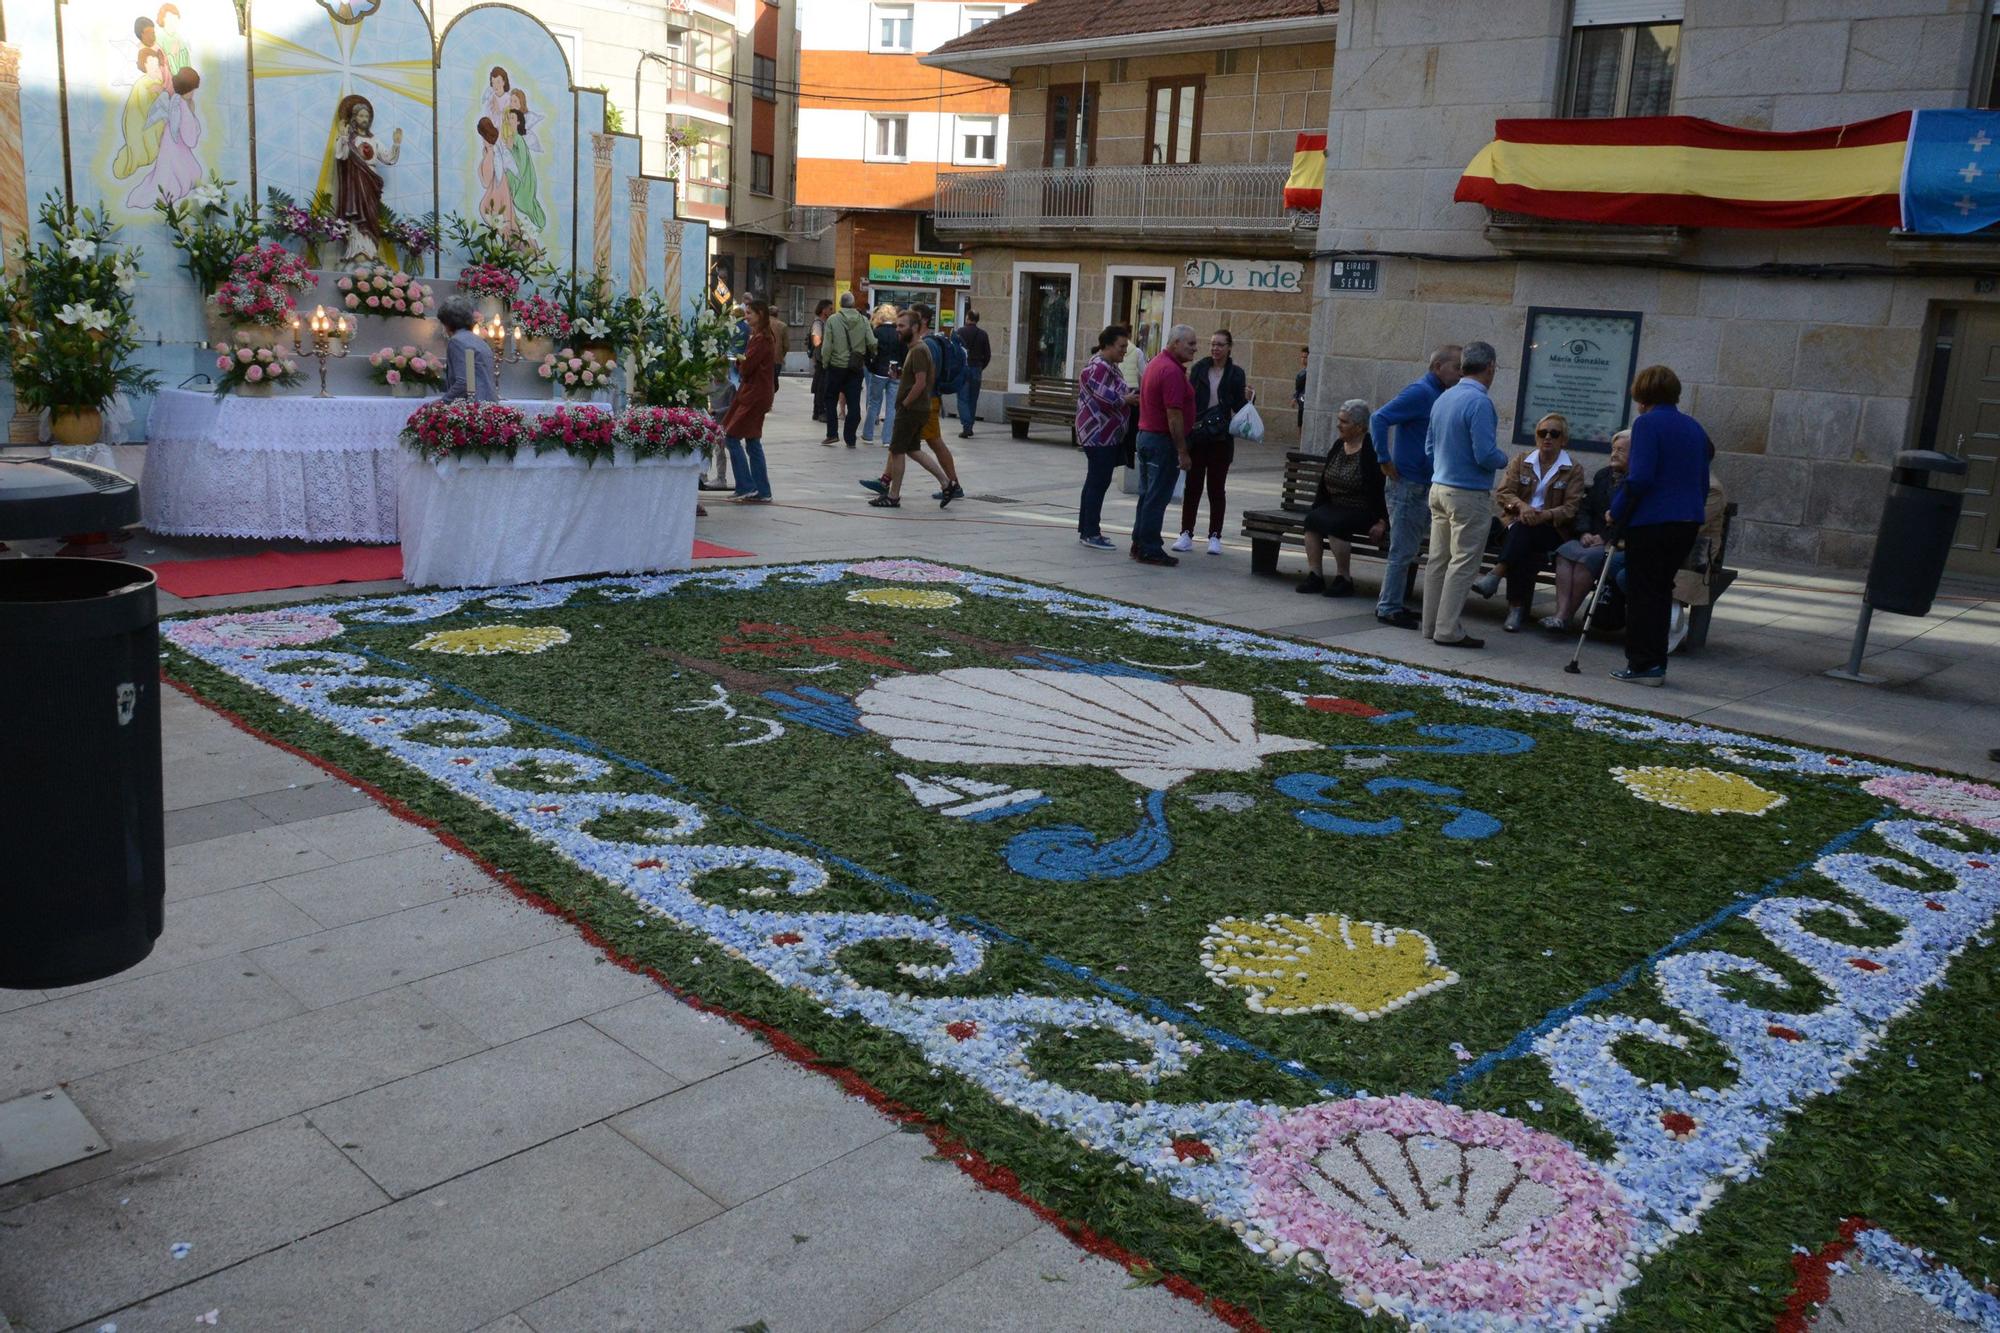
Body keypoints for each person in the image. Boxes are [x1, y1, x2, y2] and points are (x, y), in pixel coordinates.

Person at [1607, 365, 1711, 685]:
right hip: (1687, 519)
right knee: (1661, 590)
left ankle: (1643, 664)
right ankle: (1655, 661)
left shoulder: (1647, 424)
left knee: (1642, 593)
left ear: (1642, 396)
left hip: (1653, 519)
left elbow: (1639, 477)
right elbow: (1702, 478)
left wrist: (1617, 509)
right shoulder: (1693, 427)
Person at [1420, 339, 1507, 649]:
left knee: (1438, 560)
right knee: (1463, 563)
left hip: (1439, 487)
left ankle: (1430, 625)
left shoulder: (1444, 397)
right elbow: (1485, 454)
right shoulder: (1479, 402)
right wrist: (1504, 459)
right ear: (1491, 367)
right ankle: (1447, 629)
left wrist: (1446, 466)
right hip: (1468, 493)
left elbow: (1429, 447)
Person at [1370, 345, 1461, 630]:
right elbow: (1379, 418)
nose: (1460, 373)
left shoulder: (1438, 394)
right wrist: (1383, 458)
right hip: (1408, 483)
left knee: (1409, 549)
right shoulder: (1421, 391)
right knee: (1403, 549)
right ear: (1438, 367)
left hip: (1423, 482)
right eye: (1456, 367)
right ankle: (1388, 607)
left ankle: (1395, 603)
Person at [1472, 412, 1589, 632]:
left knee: (1524, 532)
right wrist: (1523, 507)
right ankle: (1516, 609)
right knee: (1524, 544)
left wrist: (1544, 515)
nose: (1547, 437)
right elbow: (1504, 492)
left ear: (1563, 439)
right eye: (1542, 433)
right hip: (1516, 524)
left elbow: (1571, 508)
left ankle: (1497, 576)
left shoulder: (1573, 469)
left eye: (1554, 434)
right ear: (1536, 436)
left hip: (1551, 531)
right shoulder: (1522, 460)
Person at [1295, 399, 1387, 596]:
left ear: (1360, 426)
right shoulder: (1338, 445)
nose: (1339, 425)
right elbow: (1324, 482)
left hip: (1362, 509)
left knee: (1337, 524)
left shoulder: (1371, 450)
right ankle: (1315, 575)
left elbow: (1381, 489)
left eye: (1344, 422)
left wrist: (1382, 521)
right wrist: (1316, 508)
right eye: (1339, 420)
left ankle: (1343, 578)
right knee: (1312, 520)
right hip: (1336, 505)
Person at [872, 305, 959, 509]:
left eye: (902, 326)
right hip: (918, 409)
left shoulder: (919, 350)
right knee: (912, 450)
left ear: (915, 327)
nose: (897, 330)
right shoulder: (916, 349)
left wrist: (904, 403)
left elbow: (921, 383)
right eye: (897, 326)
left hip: (911, 410)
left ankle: (893, 496)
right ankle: (948, 483)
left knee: (897, 451)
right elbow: (920, 378)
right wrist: (901, 376)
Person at [1175, 329, 1250, 556]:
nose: (1215, 349)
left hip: (1221, 437)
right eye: (1212, 344)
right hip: (1199, 435)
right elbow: (1190, 401)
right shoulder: (1199, 369)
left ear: (1229, 347)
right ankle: (1186, 533)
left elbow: (1237, 406)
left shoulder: (1236, 374)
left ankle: (1215, 535)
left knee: (1216, 488)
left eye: (1220, 345)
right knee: (1193, 487)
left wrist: (1247, 400)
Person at [1546, 429, 1629, 631]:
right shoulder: (1603, 475)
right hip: (1589, 537)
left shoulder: (1635, 482)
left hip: (1614, 543)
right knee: (1566, 553)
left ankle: (1565, 617)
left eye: (1621, 450)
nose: (1614, 454)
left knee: (1588, 560)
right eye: (1613, 449)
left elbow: (1629, 518)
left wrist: (1605, 537)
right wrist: (1584, 532)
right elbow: (1586, 507)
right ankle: (1561, 614)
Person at [1132, 324, 1198, 567]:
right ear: (1175, 343)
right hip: (1161, 441)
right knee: (1156, 497)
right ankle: (1149, 547)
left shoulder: (1157, 363)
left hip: (1147, 436)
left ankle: (1139, 543)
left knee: (1147, 495)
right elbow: (1174, 415)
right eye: (1190, 343)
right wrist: (1182, 451)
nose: (1195, 348)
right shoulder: (1170, 371)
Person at [1076, 324, 1139, 551]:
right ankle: (1090, 532)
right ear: (1108, 345)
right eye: (1121, 346)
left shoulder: (1110, 366)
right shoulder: (1098, 367)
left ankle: (1087, 528)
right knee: (1098, 482)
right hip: (1098, 434)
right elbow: (1106, 398)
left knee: (1095, 481)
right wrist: (1127, 400)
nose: (1125, 351)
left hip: (1107, 435)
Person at [332, 94, 401, 263]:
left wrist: (396, 144)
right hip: (355, 181)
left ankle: (370, 250)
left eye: (367, 116)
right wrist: (342, 137)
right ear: (354, 118)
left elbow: (389, 158)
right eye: (361, 115)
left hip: (370, 181)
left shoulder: (374, 140)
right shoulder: (349, 138)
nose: (364, 119)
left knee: (371, 215)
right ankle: (356, 250)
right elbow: (341, 155)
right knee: (357, 216)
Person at [721, 300, 776, 504]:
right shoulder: (762, 336)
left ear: (760, 314)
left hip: (754, 394)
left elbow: (746, 367)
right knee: (752, 440)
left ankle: (747, 485)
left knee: (731, 436)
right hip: (755, 393)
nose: (746, 316)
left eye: (750, 313)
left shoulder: (762, 338)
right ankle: (761, 490)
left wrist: (740, 360)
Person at [820, 291, 871, 447]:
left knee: (830, 399)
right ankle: (850, 438)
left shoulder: (833, 320)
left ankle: (832, 434)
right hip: (855, 367)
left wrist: (825, 362)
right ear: (853, 304)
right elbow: (872, 341)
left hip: (836, 366)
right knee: (854, 401)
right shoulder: (863, 320)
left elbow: (827, 345)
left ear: (840, 304)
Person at [437, 295, 497, 402]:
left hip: (472, 406)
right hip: (488, 403)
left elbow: (463, 382)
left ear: (447, 323)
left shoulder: (456, 341)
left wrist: (441, 403)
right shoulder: (480, 341)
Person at [862, 303, 902, 444]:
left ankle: (868, 435)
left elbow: (868, 351)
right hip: (895, 372)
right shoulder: (899, 333)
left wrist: (870, 367)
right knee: (891, 406)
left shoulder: (877, 332)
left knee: (874, 402)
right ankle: (887, 438)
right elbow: (904, 352)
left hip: (879, 370)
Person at [955, 309, 991, 438]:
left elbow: (955, 351)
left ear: (968, 318)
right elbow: (987, 355)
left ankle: (966, 425)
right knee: (973, 398)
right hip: (977, 368)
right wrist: (981, 367)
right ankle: (970, 426)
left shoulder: (960, 332)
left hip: (963, 368)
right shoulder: (983, 334)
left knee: (962, 398)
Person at [807, 298, 832, 422]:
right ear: (824, 310)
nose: (831, 311)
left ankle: (817, 412)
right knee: (821, 386)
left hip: (821, 358)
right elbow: (816, 341)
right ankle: (820, 411)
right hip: (821, 358)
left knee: (819, 386)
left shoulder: (824, 322)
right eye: (830, 309)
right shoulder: (818, 323)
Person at [1294, 347, 1308, 432]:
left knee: (1302, 425)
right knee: (1300, 425)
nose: (1303, 359)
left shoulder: (1309, 372)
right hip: (1301, 401)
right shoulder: (1302, 372)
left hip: (1305, 401)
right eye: (1302, 357)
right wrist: (1295, 397)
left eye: (1305, 357)